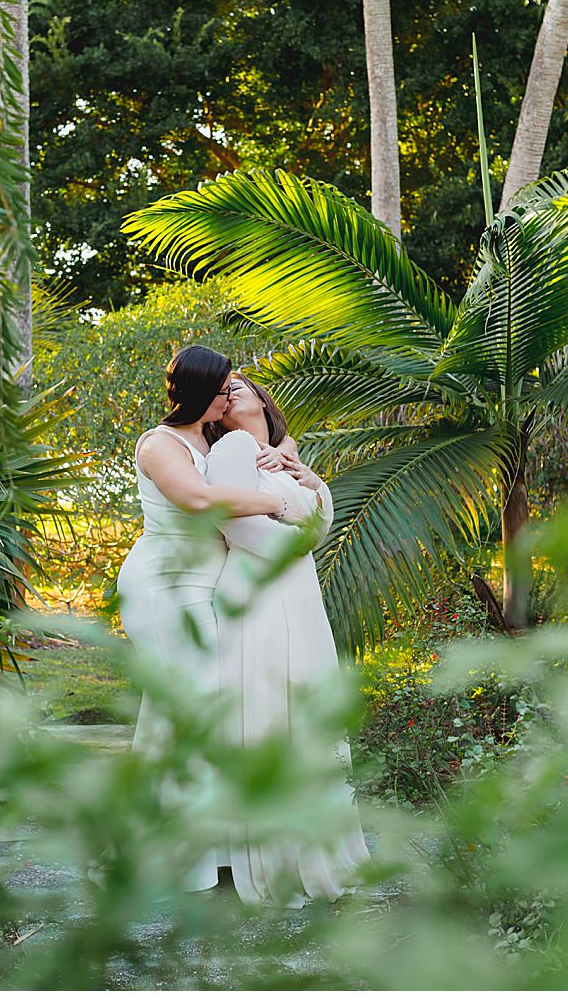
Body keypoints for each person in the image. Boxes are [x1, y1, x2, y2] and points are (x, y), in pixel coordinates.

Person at [116, 345, 309, 892]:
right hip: (164, 585)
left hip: (211, 585)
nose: (232, 395)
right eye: (225, 387)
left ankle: (202, 844)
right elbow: (199, 499)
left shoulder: (215, 438)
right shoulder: (161, 443)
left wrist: (285, 453)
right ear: (203, 391)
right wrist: (276, 506)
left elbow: (272, 434)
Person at [203, 371, 371, 908]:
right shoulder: (230, 449)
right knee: (270, 708)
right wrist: (294, 535)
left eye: (240, 384)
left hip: (297, 591)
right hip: (257, 590)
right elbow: (236, 527)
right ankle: (268, 852)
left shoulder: (278, 454)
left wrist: (307, 479)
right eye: (223, 388)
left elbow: (321, 527)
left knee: (306, 706)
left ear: (261, 400)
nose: (231, 391)